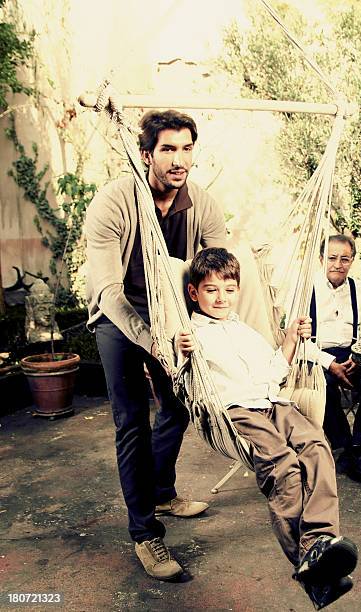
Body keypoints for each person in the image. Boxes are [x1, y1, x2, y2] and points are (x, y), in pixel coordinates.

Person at [84, 110, 225, 580]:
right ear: (145, 154)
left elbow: (221, 271)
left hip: (173, 315)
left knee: (180, 406)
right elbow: (107, 290)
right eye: (168, 149)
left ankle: (161, 491)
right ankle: (145, 533)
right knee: (131, 424)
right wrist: (151, 342)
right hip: (119, 316)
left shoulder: (201, 204)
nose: (179, 159)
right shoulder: (114, 202)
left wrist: (222, 331)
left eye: (186, 148)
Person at [178, 248, 358, 610]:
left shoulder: (245, 331)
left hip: (273, 401)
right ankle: (307, 557)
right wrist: (182, 352)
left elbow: (274, 370)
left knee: (318, 448)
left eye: (229, 290)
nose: (221, 298)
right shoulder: (191, 335)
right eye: (211, 290)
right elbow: (183, 377)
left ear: (238, 291)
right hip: (235, 410)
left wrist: (291, 338)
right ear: (194, 293)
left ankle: (320, 537)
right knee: (284, 467)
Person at [305, 235, 361, 484]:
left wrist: (357, 357)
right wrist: (330, 364)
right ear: (321, 259)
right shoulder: (307, 288)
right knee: (323, 384)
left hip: (354, 353)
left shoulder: (358, 287)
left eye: (344, 259)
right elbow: (297, 341)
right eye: (332, 258)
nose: (338, 264)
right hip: (317, 355)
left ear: (351, 261)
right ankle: (342, 447)